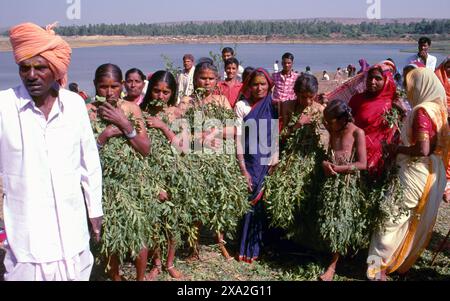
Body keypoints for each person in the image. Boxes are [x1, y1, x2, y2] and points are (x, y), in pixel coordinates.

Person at [0, 22, 103, 281]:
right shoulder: (4, 107)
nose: (31, 75)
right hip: (26, 232)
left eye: (40, 67)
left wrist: (95, 211)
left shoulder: (74, 105)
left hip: (71, 228)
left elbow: (88, 160)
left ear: (55, 70)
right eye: (25, 68)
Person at [367, 68, 449, 280]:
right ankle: (399, 263)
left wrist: (396, 150)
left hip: (415, 170)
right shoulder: (439, 110)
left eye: (412, 86)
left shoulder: (422, 111)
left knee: (390, 217)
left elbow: (422, 148)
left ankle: (376, 267)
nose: (409, 90)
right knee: (414, 219)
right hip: (434, 172)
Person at [91, 63, 151, 281]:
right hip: (105, 183)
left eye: (114, 86)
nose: (109, 92)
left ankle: (140, 278)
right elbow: (83, 155)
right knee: (112, 234)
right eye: (103, 87)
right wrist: (104, 136)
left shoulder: (132, 110)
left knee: (139, 234)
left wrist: (126, 125)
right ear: (95, 86)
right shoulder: (89, 112)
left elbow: (145, 149)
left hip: (133, 180)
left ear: (122, 86)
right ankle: (115, 277)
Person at [141, 70, 184, 280]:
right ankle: (156, 263)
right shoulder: (141, 111)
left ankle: (170, 263)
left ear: (172, 92)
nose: (160, 96)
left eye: (166, 92)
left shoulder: (176, 113)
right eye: (156, 91)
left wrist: (163, 126)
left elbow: (183, 146)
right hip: (151, 174)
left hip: (173, 174)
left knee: (173, 219)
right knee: (154, 221)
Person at [319, 99, 367, 281]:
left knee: (340, 222)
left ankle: (332, 266)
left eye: (329, 122)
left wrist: (338, 169)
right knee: (328, 219)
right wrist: (325, 163)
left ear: (342, 119)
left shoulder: (357, 133)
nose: (327, 125)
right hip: (330, 181)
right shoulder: (334, 129)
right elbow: (328, 152)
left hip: (347, 183)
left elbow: (363, 164)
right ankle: (327, 253)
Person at [235, 68, 278, 263]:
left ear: (269, 85)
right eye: (255, 84)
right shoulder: (242, 106)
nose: (259, 88)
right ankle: (244, 247)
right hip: (250, 160)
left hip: (267, 161)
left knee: (263, 206)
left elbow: (275, 133)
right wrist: (243, 169)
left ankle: (258, 246)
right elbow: (237, 139)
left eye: (263, 84)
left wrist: (274, 158)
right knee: (249, 203)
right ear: (249, 86)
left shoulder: (273, 105)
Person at [348, 63, 398, 178]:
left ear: (386, 80)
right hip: (357, 154)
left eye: (378, 78)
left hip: (382, 158)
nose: (372, 81)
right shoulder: (357, 99)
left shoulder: (393, 103)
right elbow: (347, 123)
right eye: (370, 77)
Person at [435, 56, 450, 202]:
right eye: (448, 66)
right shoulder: (438, 81)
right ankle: (443, 184)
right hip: (442, 119)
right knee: (443, 149)